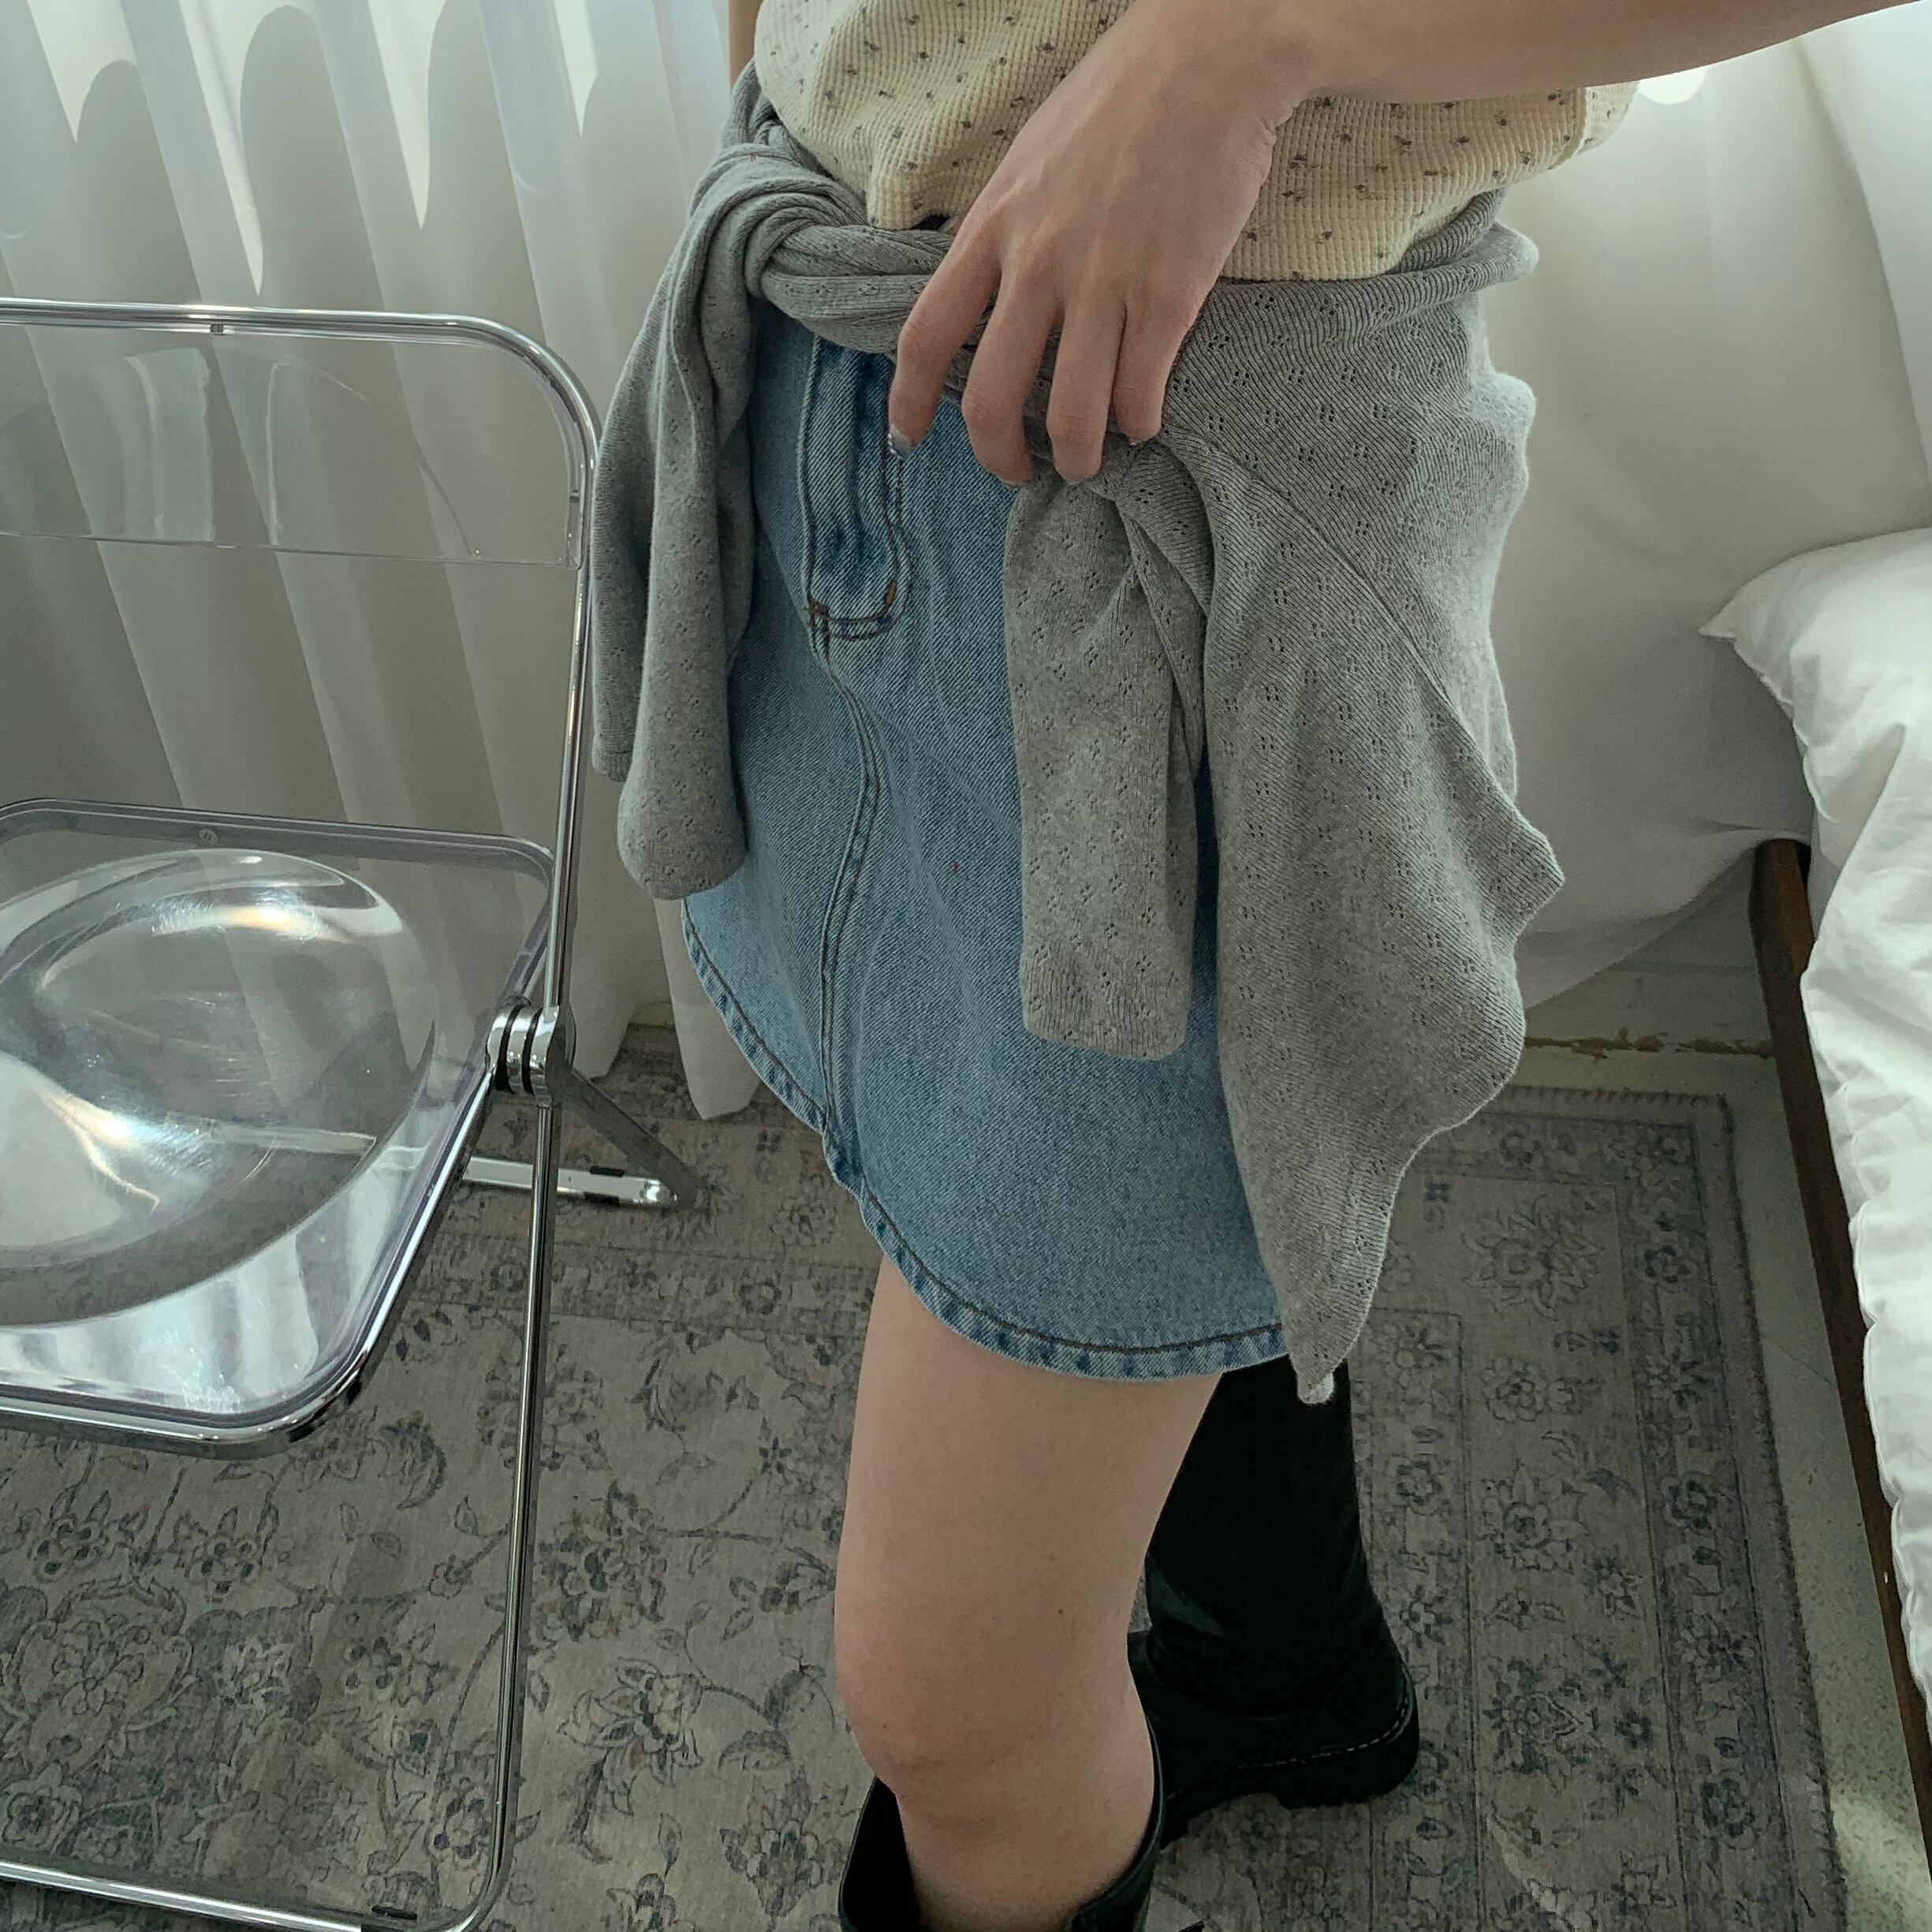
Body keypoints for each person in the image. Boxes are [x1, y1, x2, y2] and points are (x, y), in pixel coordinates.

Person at [661, 2, 1907, 1928]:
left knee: (953, 1701)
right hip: (827, 339)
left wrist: (1238, 45)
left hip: (1175, 501)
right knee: (1033, 1189)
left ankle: (1255, 1671)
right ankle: (1284, 1665)